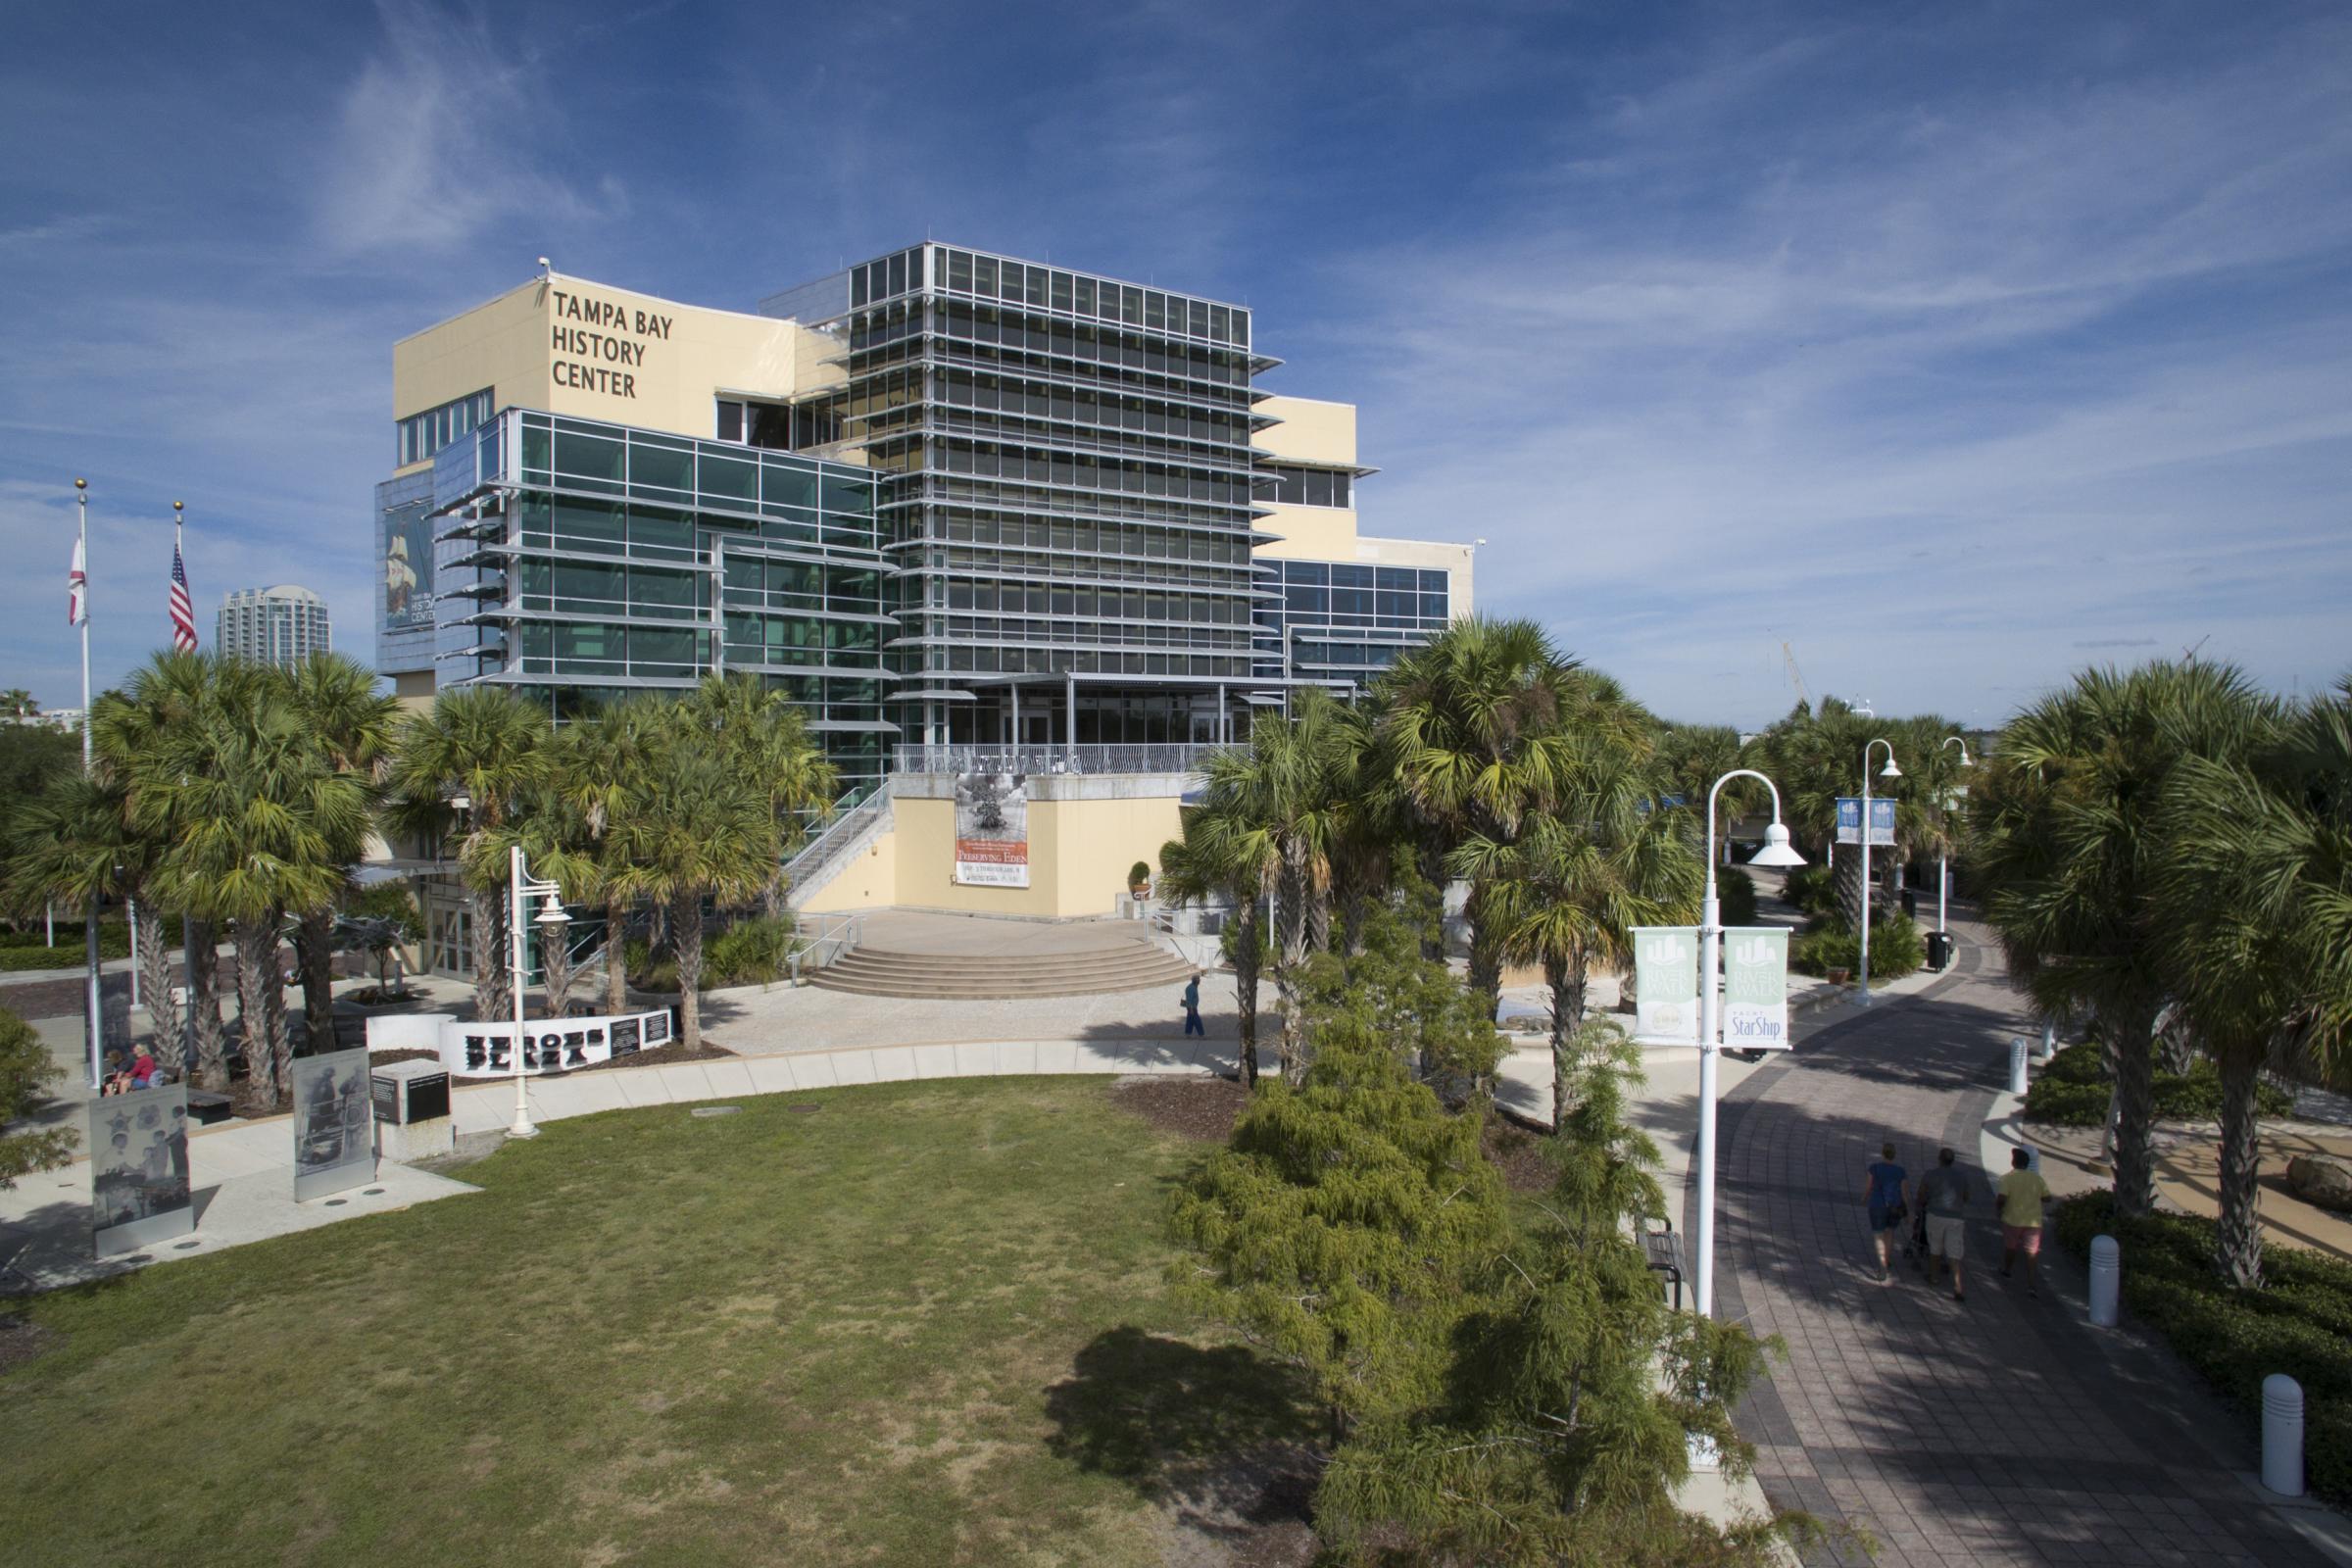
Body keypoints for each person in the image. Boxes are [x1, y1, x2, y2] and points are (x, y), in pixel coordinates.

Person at [1997, 1147, 2054, 1298]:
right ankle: (2031, 1283)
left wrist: (1998, 1209)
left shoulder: (2007, 1178)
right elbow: (2048, 1198)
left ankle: (2007, 1270)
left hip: (2012, 1219)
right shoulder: (2037, 1179)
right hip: (2033, 1222)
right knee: (2032, 1253)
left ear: (2013, 1162)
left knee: (2011, 1247)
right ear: (2027, 1164)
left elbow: (2001, 1198)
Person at [1916, 1147, 1971, 1301]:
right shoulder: (1962, 1176)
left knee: (1935, 1247)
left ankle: (1934, 1277)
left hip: (1935, 1214)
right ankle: (1958, 1285)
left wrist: (1921, 1204)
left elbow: (1921, 1194)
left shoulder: (1930, 1174)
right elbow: (1966, 1197)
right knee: (1954, 1252)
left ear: (1939, 1159)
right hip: (1956, 1217)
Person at [1863, 1142, 1909, 1283]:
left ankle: (1882, 1265)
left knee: (1878, 1236)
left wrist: (1864, 1198)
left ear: (1882, 1153)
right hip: (1894, 1208)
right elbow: (1904, 1193)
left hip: (1877, 1205)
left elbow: (1869, 1187)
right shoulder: (1901, 1172)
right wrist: (1908, 1210)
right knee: (1889, 1233)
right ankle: (1886, 1261)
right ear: (1894, 1155)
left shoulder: (1874, 1168)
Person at [1180, 971, 1204, 1038]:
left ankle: (1188, 1034)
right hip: (1192, 1007)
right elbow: (1190, 1000)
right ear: (1196, 981)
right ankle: (1201, 1034)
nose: (1199, 981)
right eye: (1198, 979)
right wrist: (1191, 1009)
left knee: (1190, 1021)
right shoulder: (1191, 988)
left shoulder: (1194, 986)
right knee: (1197, 1021)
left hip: (1192, 1007)